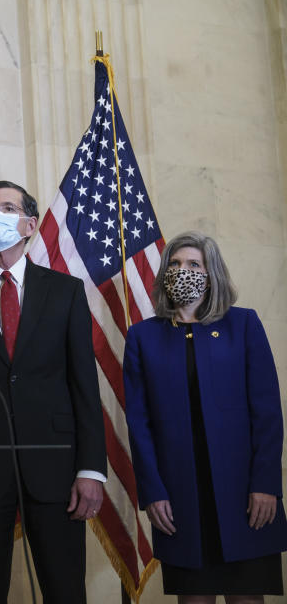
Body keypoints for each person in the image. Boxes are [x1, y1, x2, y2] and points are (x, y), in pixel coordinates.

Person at [0, 180, 107, 604]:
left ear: (29, 224)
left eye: (5, 207)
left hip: (56, 470)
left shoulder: (65, 291)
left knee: (64, 590)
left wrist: (91, 469)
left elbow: (83, 385)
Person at [123, 231, 287, 603]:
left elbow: (267, 412)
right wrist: (153, 492)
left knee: (246, 596)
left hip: (244, 493)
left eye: (194, 264)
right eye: (176, 264)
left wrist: (266, 483)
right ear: (165, 274)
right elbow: (139, 424)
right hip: (180, 495)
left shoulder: (244, 325)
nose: (184, 271)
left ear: (211, 274)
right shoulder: (142, 337)